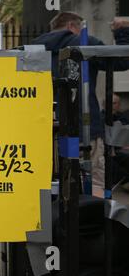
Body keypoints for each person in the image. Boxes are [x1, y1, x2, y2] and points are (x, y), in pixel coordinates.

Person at [32, 12, 129, 197]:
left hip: (45, 130)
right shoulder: (83, 42)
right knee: (94, 185)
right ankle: (94, 223)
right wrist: (123, 30)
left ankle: (56, 223)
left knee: (51, 186)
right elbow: (122, 59)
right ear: (72, 26)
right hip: (85, 128)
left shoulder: (33, 50)